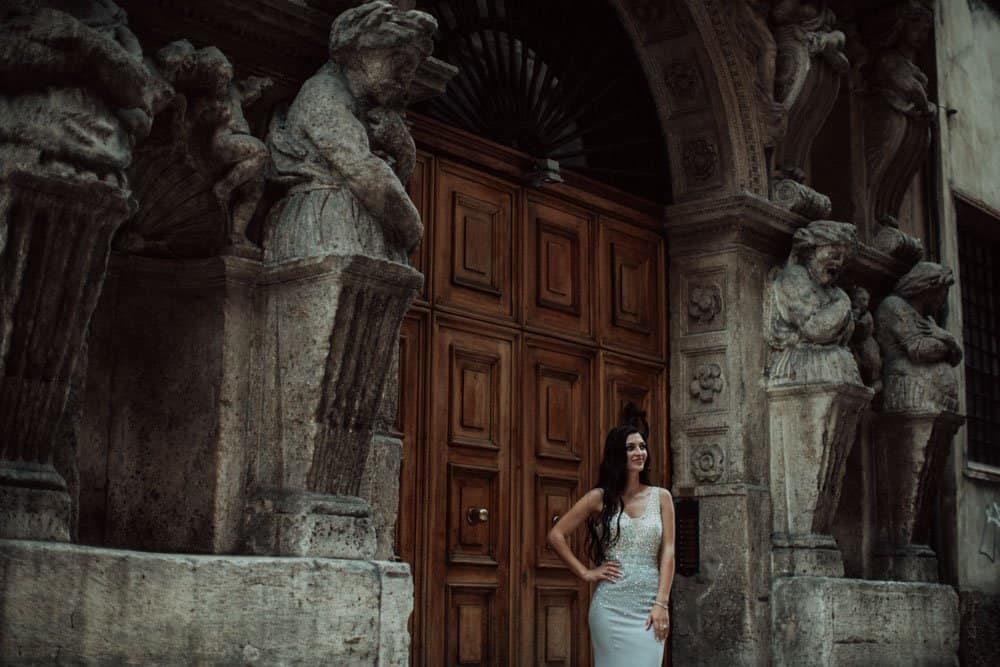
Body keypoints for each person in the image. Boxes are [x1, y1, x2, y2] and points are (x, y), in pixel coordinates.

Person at [547, 407, 676, 666]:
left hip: (650, 607)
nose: (640, 452)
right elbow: (557, 534)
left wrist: (661, 604)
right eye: (631, 448)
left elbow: (668, 551)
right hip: (610, 608)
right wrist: (586, 573)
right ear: (618, 454)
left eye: (642, 446)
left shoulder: (661, 497)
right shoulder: (600, 498)